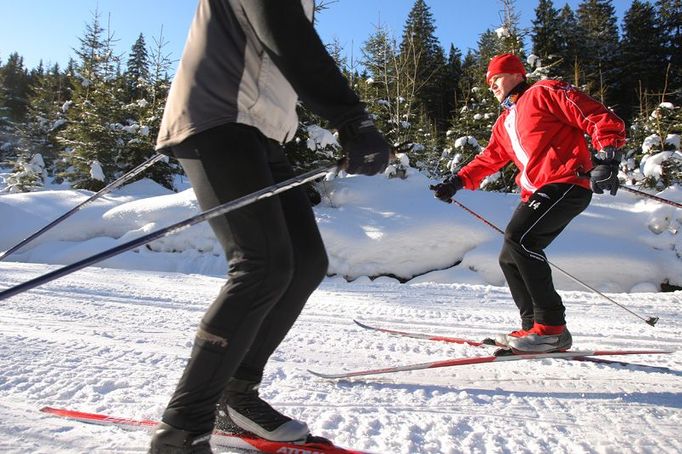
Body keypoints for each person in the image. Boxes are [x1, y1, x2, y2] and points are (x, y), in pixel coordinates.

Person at [148, 1, 389, 453]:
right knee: (261, 265)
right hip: (219, 119)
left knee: (303, 262)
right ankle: (181, 431)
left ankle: (234, 399)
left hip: (261, 132)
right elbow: (285, 36)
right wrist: (352, 119)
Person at [430, 53, 625, 354]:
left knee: (521, 239)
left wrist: (608, 156)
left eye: (496, 77)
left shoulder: (543, 92)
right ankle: (533, 326)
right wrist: (456, 182)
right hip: (536, 192)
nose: (491, 84)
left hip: (566, 182)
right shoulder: (504, 122)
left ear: (516, 74)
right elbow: (490, 158)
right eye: (488, 81)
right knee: (509, 255)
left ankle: (551, 329)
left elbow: (592, 114)